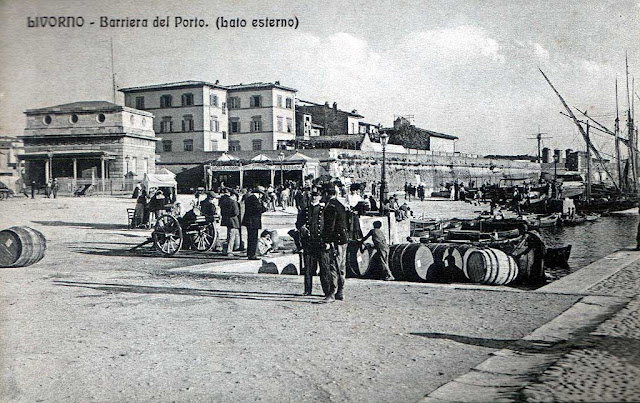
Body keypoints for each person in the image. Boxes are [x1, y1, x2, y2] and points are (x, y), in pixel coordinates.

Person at [296, 190, 329, 296]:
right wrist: (302, 227)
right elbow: (298, 224)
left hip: (320, 242)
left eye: (317, 196)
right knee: (308, 268)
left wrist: (327, 241)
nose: (315, 197)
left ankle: (327, 291)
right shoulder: (305, 210)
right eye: (313, 196)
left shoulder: (324, 210)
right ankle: (307, 290)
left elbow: (328, 226)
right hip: (309, 242)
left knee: (324, 268)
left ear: (320, 197)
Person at [322, 187, 349, 302]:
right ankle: (340, 291)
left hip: (335, 240)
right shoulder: (340, 205)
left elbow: (330, 225)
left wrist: (327, 240)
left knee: (333, 266)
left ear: (327, 194)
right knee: (341, 266)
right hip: (343, 239)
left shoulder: (331, 206)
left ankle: (332, 293)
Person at [242, 186, 267, 260]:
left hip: (249, 221)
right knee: (253, 238)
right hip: (253, 221)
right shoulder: (254, 200)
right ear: (259, 194)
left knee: (250, 238)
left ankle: (249, 253)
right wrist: (264, 208)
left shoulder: (249, 198)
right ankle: (252, 254)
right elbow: (257, 209)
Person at [220, 189, 241, 255]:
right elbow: (236, 212)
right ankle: (229, 251)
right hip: (233, 221)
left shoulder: (224, 201)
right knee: (232, 237)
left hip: (226, 220)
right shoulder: (233, 202)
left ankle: (227, 249)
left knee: (229, 235)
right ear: (234, 195)